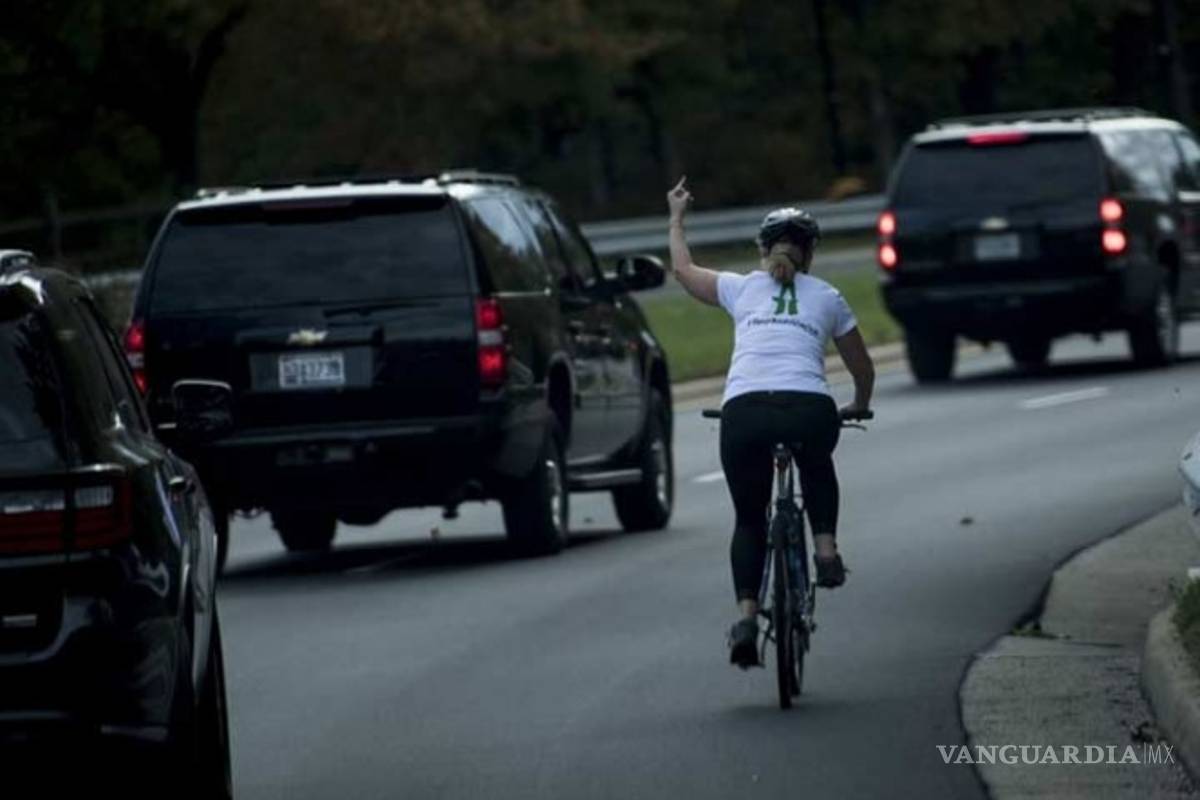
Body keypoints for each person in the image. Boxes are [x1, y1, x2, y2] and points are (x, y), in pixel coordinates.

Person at [665, 176, 875, 669]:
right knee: (817, 460)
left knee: (748, 518)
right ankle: (825, 549)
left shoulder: (740, 288)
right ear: (811, 253)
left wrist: (677, 216)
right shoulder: (828, 295)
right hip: (808, 407)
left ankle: (745, 616)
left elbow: (682, 269)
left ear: (762, 249)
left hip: (744, 411)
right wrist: (859, 401)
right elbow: (860, 366)